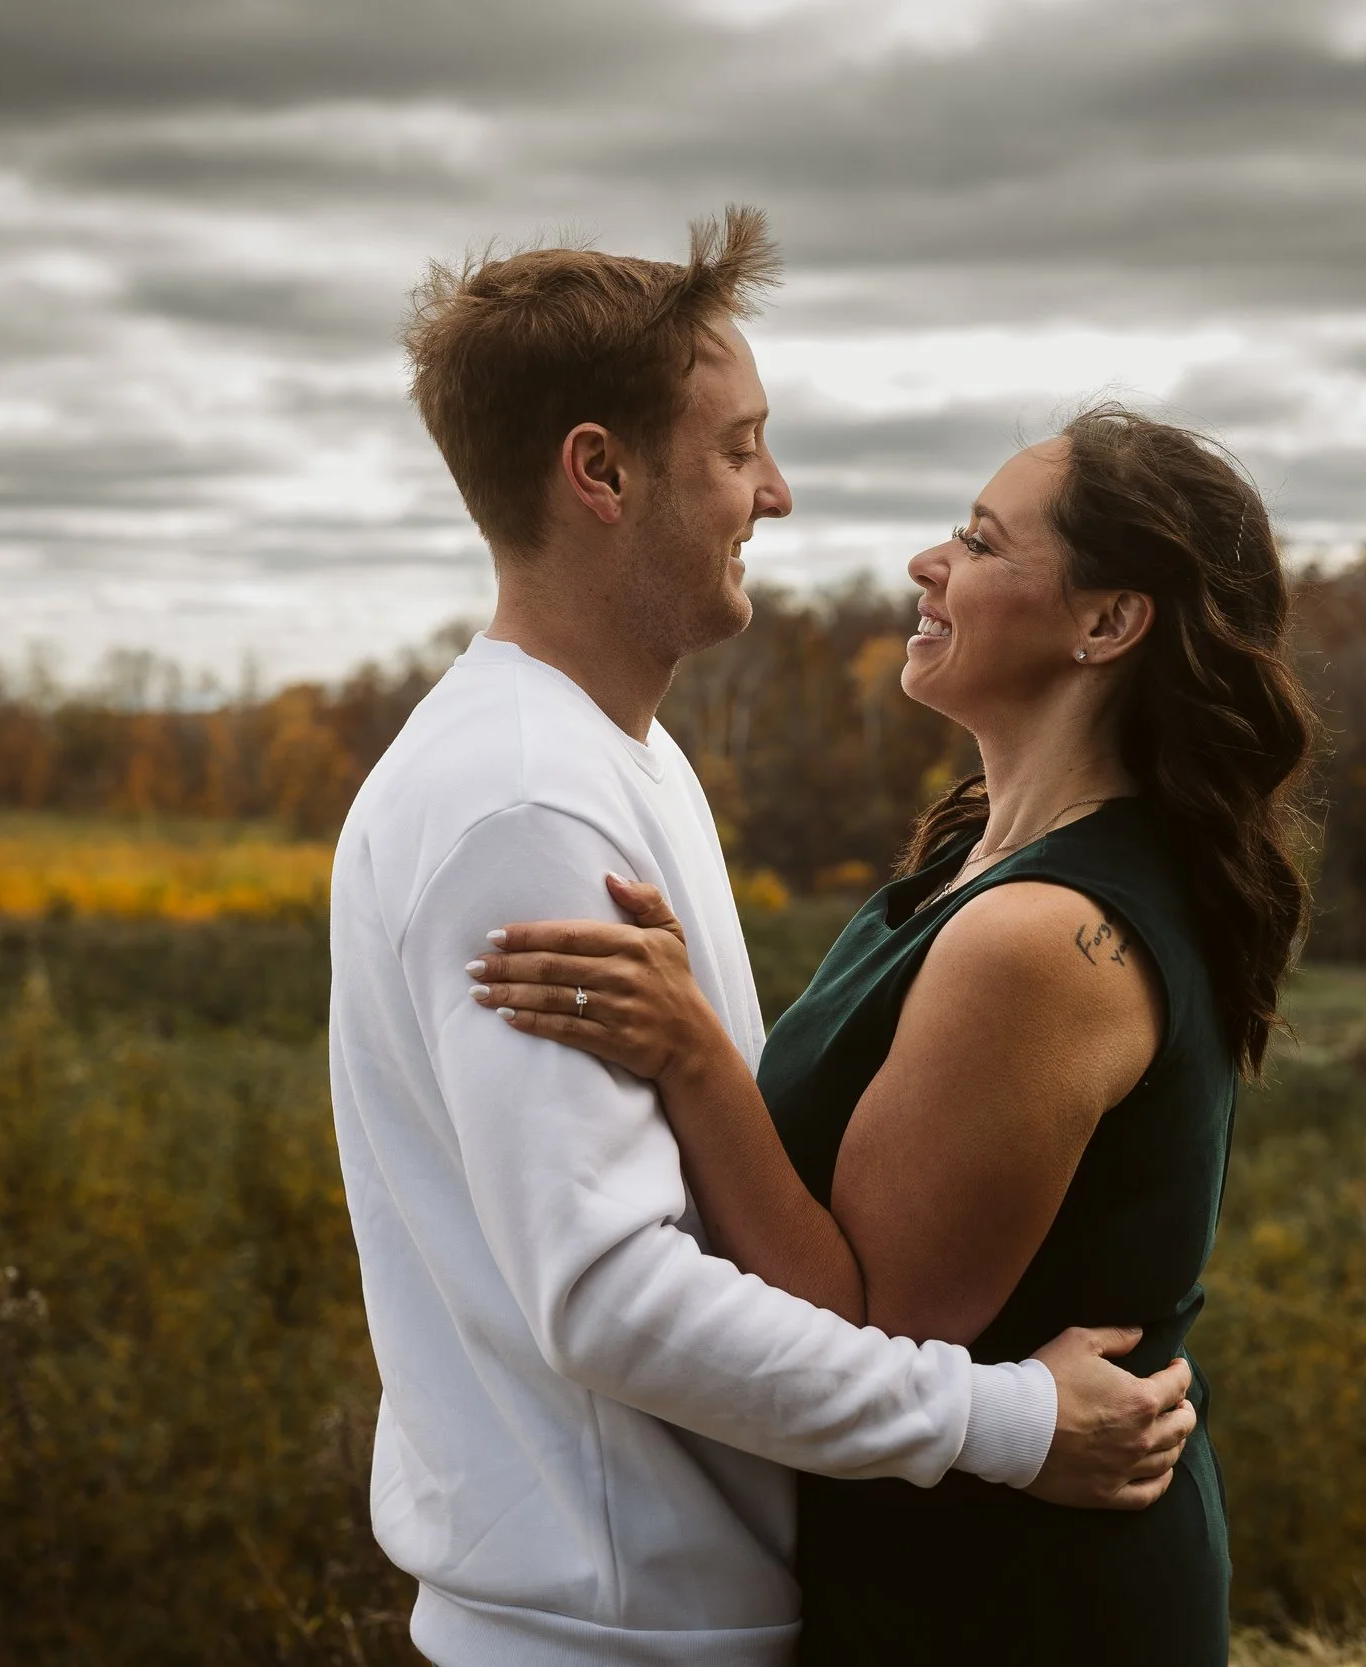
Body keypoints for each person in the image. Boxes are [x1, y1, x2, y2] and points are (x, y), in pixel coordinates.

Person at [328, 206, 1197, 1667]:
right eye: (738, 448)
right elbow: (609, 1294)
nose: (776, 493)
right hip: (608, 1630)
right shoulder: (524, 802)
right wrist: (1004, 1419)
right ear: (599, 472)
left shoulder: (623, 758)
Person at [468, 402, 1315, 1664]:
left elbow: (873, 1326)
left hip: (1013, 1596)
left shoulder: (1039, 937)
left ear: (1105, 622)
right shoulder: (968, 864)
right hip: (927, 1551)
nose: (928, 563)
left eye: (979, 542)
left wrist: (693, 1054)